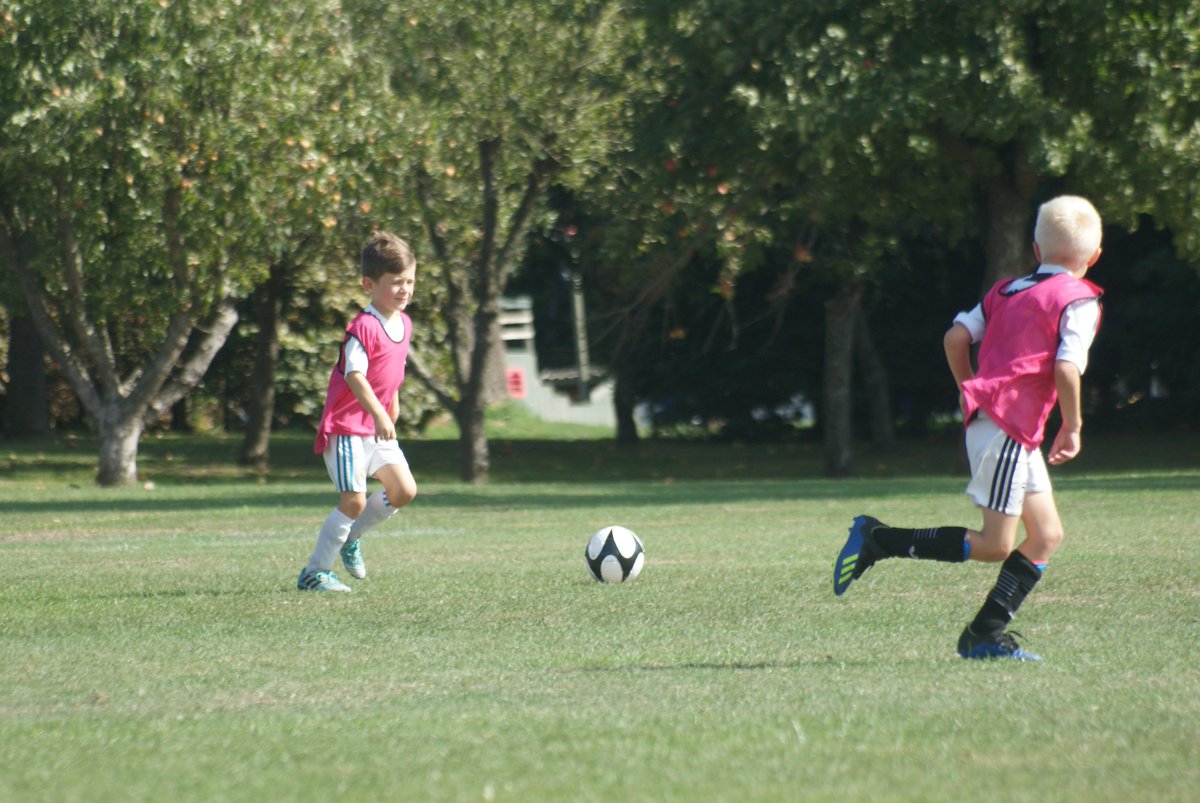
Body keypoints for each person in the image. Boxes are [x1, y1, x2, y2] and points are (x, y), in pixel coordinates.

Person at [833, 195, 1105, 661]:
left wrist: (969, 388)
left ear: (1035, 250)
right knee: (996, 545)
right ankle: (880, 539)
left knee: (1045, 535)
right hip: (1008, 427)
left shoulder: (1004, 290)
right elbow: (1066, 368)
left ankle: (985, 634)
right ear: (1093, 257)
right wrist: (1073, 426)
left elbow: (955, 338)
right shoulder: (1079, 300)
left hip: (1004, 427)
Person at [298, 232, 419, 592]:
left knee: (403, 491)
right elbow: (354, 375)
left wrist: (391, 405)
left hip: (376, 426)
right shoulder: (362, 327)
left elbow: (392, 371)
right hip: (348, 426)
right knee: (353, 500)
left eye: (410, 281)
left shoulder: (404, 323)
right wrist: (380, 415)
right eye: (396, 282)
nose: (404, 290)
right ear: (370, 284)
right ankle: (314, 573)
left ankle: (351, 538)